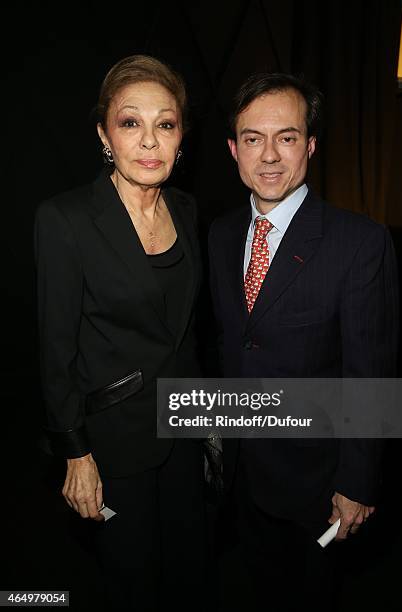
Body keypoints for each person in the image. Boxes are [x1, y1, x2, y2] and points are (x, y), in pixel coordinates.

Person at [208, 73, 398, 611]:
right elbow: (231, 345)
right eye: (253, 138)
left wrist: (358, 482)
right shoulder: (221, 234)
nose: (269, 155)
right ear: (233, 150)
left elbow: (372, 374)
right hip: (240, 480)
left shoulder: (359, 242)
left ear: (310, 145)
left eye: (286, 137)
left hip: (317, 486)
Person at [34, 55, 205, 612]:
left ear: (181, 136)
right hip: (113, 444)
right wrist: (75, 453)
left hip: (185, 432)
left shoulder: (187, 209)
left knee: (187, 574)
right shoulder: (66, 219)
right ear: (105, 135)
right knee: (132, 584)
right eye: (131, 123)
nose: (150, 141)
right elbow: (55, 349)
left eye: (166, 123)